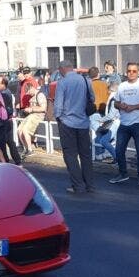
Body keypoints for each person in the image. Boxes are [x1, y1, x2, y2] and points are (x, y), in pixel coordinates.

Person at [54, 60, 95, 194]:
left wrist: (58, 117)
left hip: (67, 122)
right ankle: (90, 185)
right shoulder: (85, 80)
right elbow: (92, 99)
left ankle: (78, 185)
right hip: (83, 122)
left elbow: (58, 104)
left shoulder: (62, 82)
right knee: (85, 155)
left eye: (59, 70)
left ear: (62, 69)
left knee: (70, 155)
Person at [111, 62, 139, 185]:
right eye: (129, 71)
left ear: (138, 72)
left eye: (134, 71)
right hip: (124, 123)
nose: (131, 73)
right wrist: (120, 105)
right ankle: (123, 173)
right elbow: (115, 103)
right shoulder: (122, 85)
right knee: (119, 150)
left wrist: (134, 107)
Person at [91, 81, 120, 163]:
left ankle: (117, 157)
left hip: (114, 123)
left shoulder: (113, 100)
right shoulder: (116, 99)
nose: (107, 92)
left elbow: (111, 115)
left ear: (111, 90)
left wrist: (101, 120)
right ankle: (116, 157)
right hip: (115, 122)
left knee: (103, 141)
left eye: (108, 90)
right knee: (112, 140)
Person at [0, 76, 22, 165]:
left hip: (5, 121)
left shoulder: (5, 94)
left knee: (7, 142)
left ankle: (13, 161)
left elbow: (4, 108)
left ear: (3, 84)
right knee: (7, 142)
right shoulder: (3, 92)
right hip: (5, 120)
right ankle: (15, 161)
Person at [18, 84, 47, 157]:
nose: (28, 94)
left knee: (25, 130)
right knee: (19, 130)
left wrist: (32, 109)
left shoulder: (40, 95)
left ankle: (30, 150)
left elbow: (43, 108)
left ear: (32, 88)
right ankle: (26, 148)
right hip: (31, 115)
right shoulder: (33, 96)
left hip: (38, 115)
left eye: (28, 92)